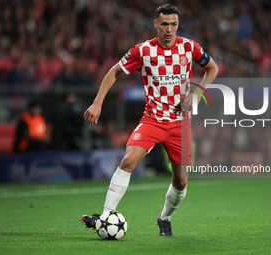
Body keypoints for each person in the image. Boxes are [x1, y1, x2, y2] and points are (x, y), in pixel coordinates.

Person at [80, 4, 218, 236]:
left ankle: (164, 218)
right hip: (152, 120)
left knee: (181, 181)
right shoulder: (142, 51)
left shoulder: (189, 47)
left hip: (179, 124)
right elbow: (114, 71)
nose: (169, 29)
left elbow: (212, 68)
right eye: (164, 24)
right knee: (128, 161)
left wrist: (198, 94)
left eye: (173, 24)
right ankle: (105, 216)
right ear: (156, 24)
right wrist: (97, 102)